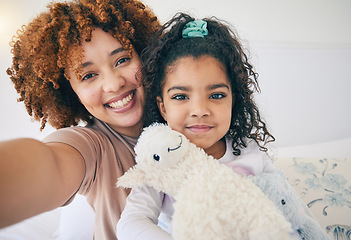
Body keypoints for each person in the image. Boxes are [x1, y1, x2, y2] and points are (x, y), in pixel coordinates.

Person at [116, 13, 313, 240]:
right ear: (163, 107)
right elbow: (131, 223)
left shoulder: (248, 151)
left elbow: (291, 206)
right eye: (180, 96)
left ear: (233, 101)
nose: (199, 109)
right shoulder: (161, 162)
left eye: (216, 95)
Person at [0, 0, 160, 238]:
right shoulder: (92, 147)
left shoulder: (193, 118)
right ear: (70, 92)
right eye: (88, 75)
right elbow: (51, 165)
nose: (114, 83)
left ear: (145, 55)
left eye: (122, 60)